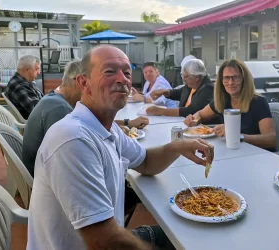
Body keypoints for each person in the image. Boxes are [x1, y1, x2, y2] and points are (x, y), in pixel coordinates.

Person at [27, 45, 214, 250]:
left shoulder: (106, 129)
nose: (121, 79)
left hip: (108, 234)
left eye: (126, 73)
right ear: (83, 82)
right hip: (103, 241)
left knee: (192, 235)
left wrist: (178, 147)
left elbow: (146, 162)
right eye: (109, 71)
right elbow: (104, 241)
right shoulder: (72, 139)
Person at [22, 60, 149, 177]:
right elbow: (79, 153)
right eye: (90, 86)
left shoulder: (56, 100)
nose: (92, 93)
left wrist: (127, 122)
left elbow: (92, 124)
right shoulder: (59, 109)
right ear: (79, 83)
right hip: (47, 177)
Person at [184, 59, 276, 150]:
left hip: (257, 157)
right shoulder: (223, 100)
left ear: (244, 79)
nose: (230, 82)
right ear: (221, 80)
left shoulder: (259, 102)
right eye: (226, 78)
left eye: (235, 77)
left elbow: (271, 140)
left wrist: (236, 135)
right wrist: (194, 120)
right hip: (232, 153)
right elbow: (200, 114)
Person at [147, 59, 216, 122]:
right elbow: (179, 93)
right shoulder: (192, 84)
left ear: (197, 77)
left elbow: (191, 111)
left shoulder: (208, 89)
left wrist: (161, 111)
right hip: (183, 121)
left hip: (202, 128)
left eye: (186, 76)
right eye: (182, 76)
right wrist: (164, 92)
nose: (183, 79)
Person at [5, 55, 44, 119]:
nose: (39, 72)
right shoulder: (19, 86)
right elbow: (38, 110)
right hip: (37, 124)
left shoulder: (23, 81)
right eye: (37, 69)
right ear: (27, 70)